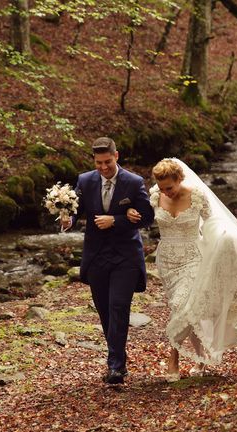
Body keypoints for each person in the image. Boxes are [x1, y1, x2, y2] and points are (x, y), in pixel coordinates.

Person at [127, 158, 237, 381]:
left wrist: (225, 242)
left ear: (180, 179)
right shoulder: (156, 194)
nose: (166, 192)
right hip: (167, 260)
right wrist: (131, 212)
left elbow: (213, 223)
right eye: (162, 187)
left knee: (183, 305)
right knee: (188, 308)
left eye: (170, 187)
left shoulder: (196, 195)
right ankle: (199, 357)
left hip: (193, 256)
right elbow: (144, 217)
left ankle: (173, 358)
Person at [62, 137, 155, 384]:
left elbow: (147, 217)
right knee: (104, 311)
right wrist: (67, 221)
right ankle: (118, 356)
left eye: (107, 161)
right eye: (98, 162)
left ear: (117, 156)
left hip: (125, 256)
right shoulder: (84, 180)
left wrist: (117, 220)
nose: (103, 167)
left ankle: (116, 366)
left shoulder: (134, 183)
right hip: (96, 256)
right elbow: (75, 210)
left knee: (118, 306)